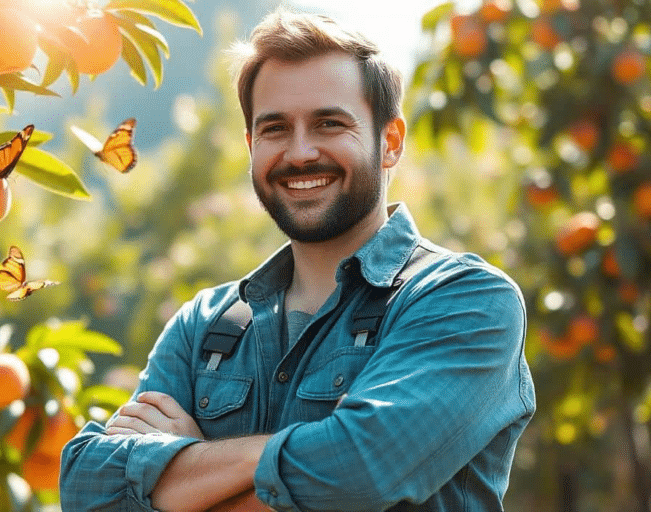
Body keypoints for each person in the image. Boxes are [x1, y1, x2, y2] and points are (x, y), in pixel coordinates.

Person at [59, 7, 535, 511]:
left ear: (389, 142)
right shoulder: (203, 325)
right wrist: (293, 460)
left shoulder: (464, 300)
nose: (300, 152)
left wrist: (189, 465)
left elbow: (358, 474)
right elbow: (89, 489)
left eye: (329, 123)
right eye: (275, 129)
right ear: (251, 145)